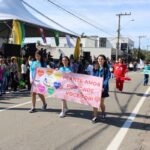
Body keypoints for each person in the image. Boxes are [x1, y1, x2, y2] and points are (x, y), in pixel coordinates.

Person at [92, 55, 111, 123]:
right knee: (95, 102)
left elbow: (107, 78)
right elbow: (92, 77)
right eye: (99, 59)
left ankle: (103, 113)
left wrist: (103, 87)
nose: (100, 60)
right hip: (95, 88)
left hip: (103, 88)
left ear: (104, 60)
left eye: (102, 59)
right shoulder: (95, 68)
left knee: (101, 103)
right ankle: (95, 116)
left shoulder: (106, 69)